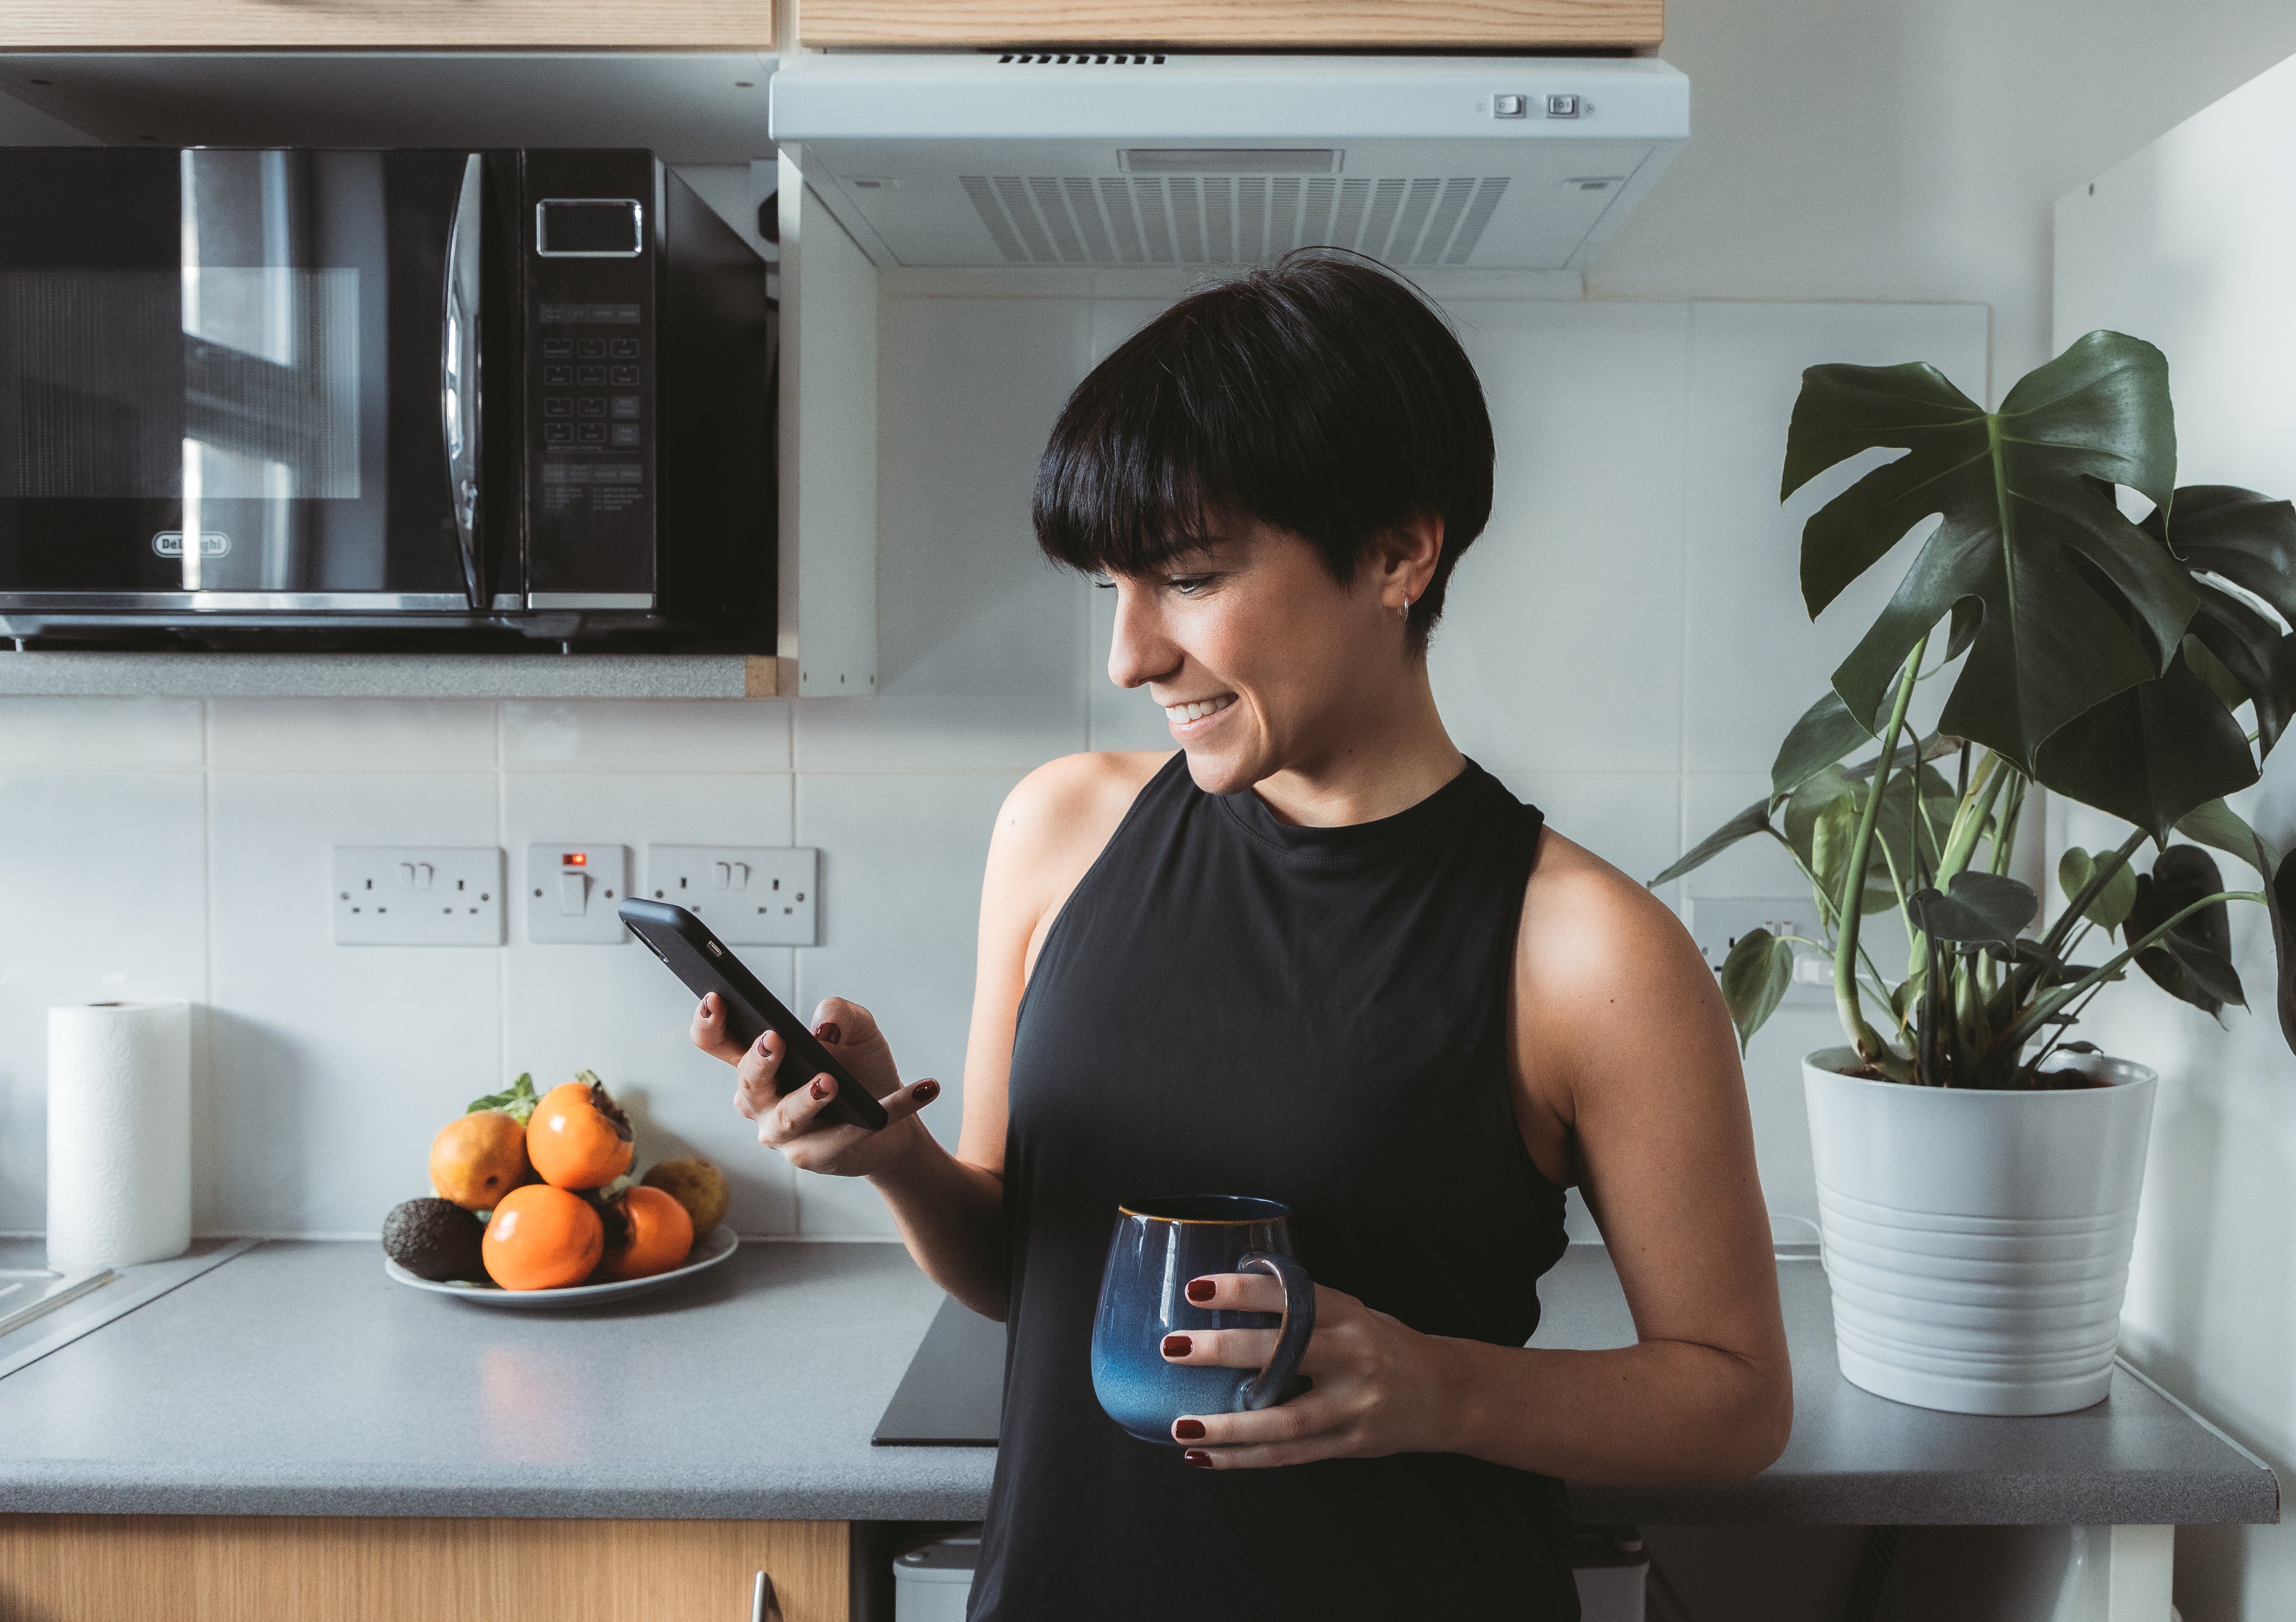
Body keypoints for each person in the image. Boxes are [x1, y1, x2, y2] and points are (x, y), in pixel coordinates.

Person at [692, 252, 1791, 1618]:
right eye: (1112, 590)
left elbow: (1734, 1400)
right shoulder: (1060, 831)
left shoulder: (1584, 951)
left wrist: (1443, 1386)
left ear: (1398, 550)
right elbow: (1010, 1275)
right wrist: (894, 1157)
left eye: (1191, 579)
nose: (1129, 656)